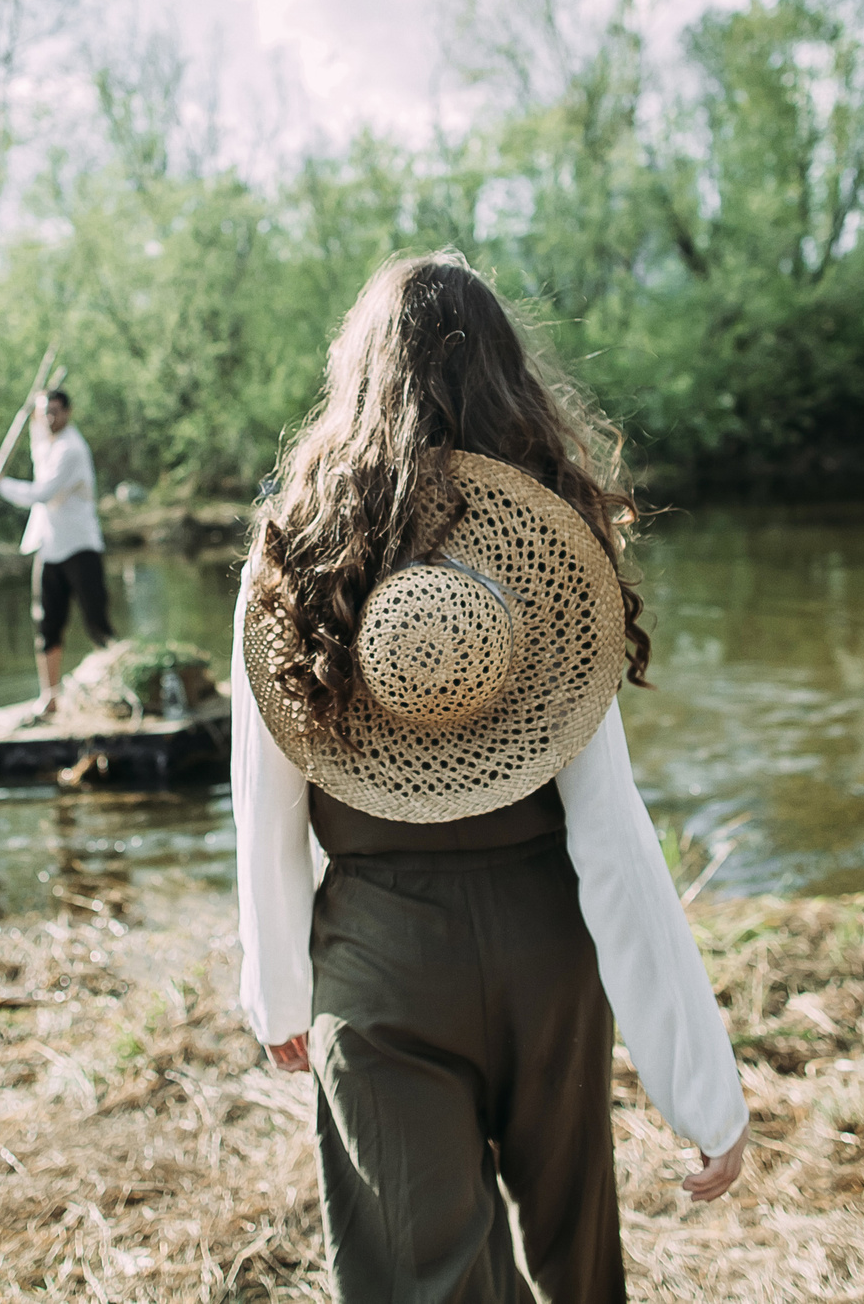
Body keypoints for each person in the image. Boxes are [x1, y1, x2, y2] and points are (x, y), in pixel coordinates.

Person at [231, 252, 747, 1304]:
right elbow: (610, 832)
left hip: (378, 960)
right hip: (544, 945)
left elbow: (264, 807)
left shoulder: (300, 549)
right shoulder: (550, 550)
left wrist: (277, 986)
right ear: (508, 375)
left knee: (424, 1281)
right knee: (575, 1255)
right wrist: (703, 1093)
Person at [0, 388, 111, 720]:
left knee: (96, 621)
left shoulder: (71, 450)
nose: (49, 418)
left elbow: (44, 492)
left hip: (79, 545)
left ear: (68, 412)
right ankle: (50, 696)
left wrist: (1, 484)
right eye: (45, 412)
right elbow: (35, 435)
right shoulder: (45, 443)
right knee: (46, 623)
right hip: (48, 546)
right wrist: (30, 409)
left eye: (55, 411)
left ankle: (115, 684)